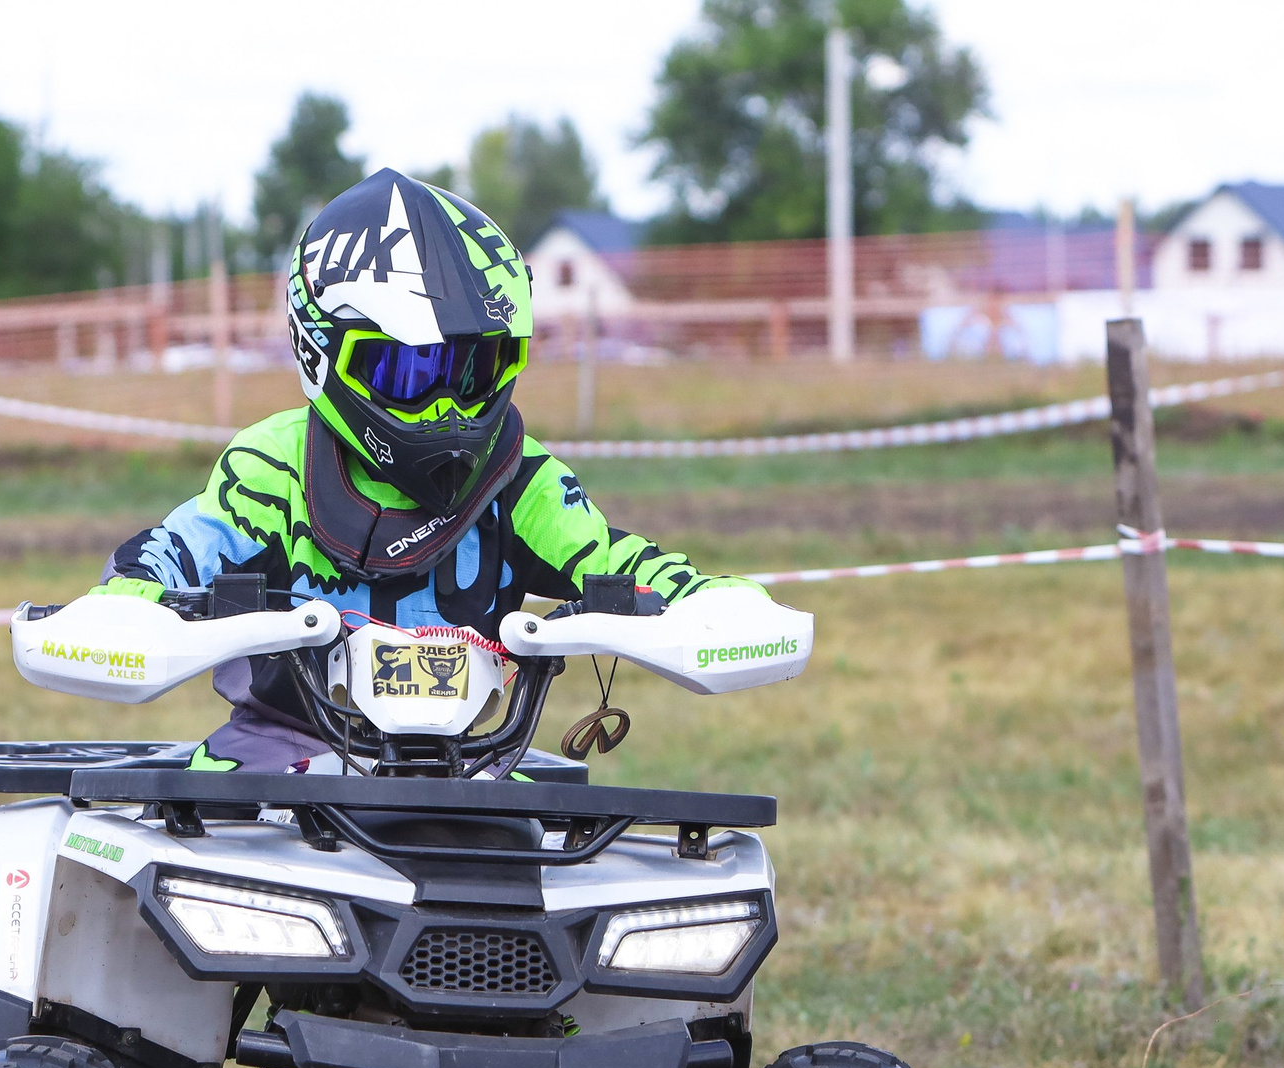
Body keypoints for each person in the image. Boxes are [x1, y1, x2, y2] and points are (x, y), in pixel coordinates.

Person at [82, 168, 773, 772]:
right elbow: (182, 546)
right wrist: (129, 602)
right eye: (411, 371)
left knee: (559, 855)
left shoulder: (518, 478)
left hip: (471, 768)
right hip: (273, 757)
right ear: (322, 351)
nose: (448, 407)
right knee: (190, 852)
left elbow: (613, 558)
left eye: (472, 370)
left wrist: (704, 602)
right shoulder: (272, 466)